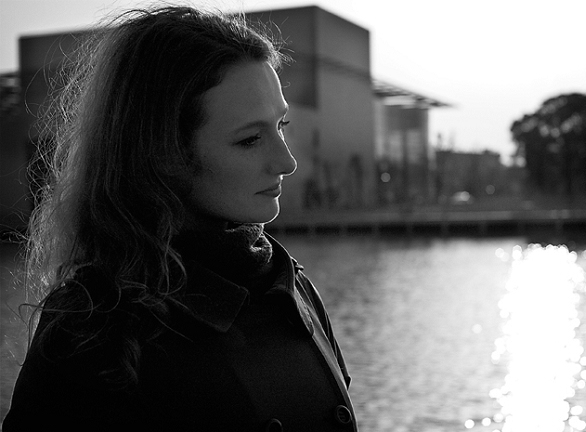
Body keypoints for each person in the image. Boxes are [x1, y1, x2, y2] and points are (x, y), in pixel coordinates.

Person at [3, 6, 357, 431]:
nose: (287, 161)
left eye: (280, 125)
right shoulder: (93, 330)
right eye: (249, 139)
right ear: (164, 155)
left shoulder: (289, 286)